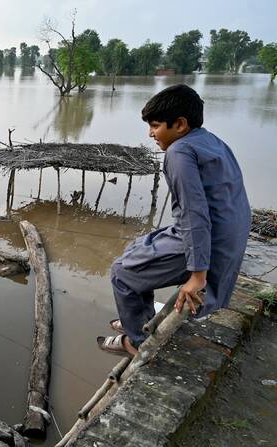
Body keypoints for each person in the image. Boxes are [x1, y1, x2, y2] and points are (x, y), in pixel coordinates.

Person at [97, 84, 251, 357]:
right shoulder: (212, 141)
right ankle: (140, 320)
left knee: (123, 273)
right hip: (227, 233)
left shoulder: (178, 152)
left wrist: (198, 274)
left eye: (155, 126)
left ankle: (137, 342)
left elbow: (195, 215)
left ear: (180, 124)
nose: (150, 133)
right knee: (136, 247)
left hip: (207, 237)